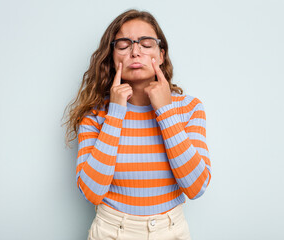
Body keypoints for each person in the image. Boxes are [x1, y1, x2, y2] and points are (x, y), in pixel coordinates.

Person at [63, 9, 211, 240]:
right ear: (112, 57)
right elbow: (92, 192)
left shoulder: (189, 108)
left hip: (170, 231)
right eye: (123, 45)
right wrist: (116, 113)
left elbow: (196, 187)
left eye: (146, 43)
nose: (135, 52)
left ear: (161, 55)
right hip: (111, 231)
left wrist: (165, 111)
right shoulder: (95, 115)